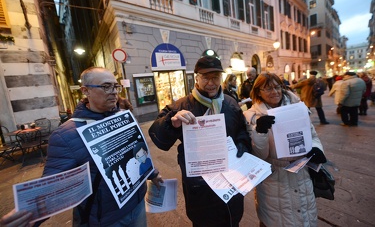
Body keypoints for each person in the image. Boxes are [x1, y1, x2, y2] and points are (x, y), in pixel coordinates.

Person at [0, 67, 162, 227]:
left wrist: (152, 173)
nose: (114, 92)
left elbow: (137, 152)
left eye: (115, 86)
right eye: (106, 86)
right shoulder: (65, 135)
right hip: (104, 219)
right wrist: (29, 216)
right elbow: (52, 188)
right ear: (86, 91)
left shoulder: (124, 118)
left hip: (137, 203)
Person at [148, 55, 252, 227]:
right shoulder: (180, 106)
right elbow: (159, 138)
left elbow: (241, 129)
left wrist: (242, 143)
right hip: (200, 185)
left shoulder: (230, 103)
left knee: (232, 219)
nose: (211, 82)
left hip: (230, 179)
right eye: (205, 77)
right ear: (196, 77)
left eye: (215, 77)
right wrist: (171, 122)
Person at [243, 72, 327, 227]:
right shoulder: (251, 117)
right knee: (277, 220)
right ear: (258, 93)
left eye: (277, 87)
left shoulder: (298, 108)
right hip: (274, 180)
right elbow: (259, 156)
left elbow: (312, 135)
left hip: (301, 175)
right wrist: (260, 132)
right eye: (267, 89)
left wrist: (316, 148)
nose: (274, 92)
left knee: (305, 218)